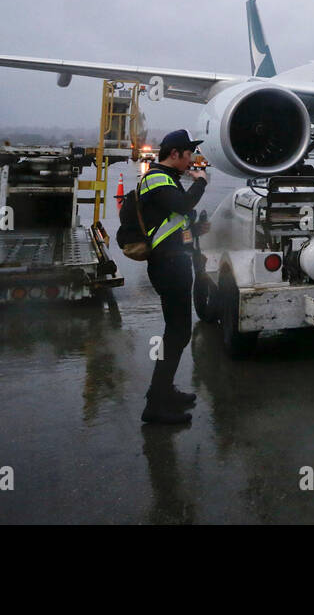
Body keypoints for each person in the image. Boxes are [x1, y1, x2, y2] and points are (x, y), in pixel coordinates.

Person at [136, 129, 210, 425]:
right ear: (175, 154)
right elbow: (182, 206)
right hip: (167, 265)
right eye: (189, 153)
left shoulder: (168, 180)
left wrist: (195, 229)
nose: (192, 159)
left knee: (178, 332)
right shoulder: (156, 178)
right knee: (177, 332)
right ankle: (155, 403)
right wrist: (201, 183)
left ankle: (165, 391)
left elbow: (175, 218)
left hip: (176, 262)